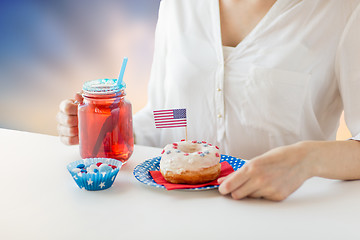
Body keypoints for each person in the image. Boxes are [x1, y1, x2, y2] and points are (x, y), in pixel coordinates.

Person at [57, 0, 360, 201]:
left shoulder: (342, 10)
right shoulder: (180, 5)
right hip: (176, 216)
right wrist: (110, 129)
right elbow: (172, 114)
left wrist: (307, 159)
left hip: (284, 217)